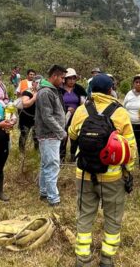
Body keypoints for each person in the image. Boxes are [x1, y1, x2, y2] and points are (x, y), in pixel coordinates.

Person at [68, 73, 136, 267]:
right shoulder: (120, 113)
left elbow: (72, 134)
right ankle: (106, 261)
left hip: (84, 174)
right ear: (110, 90)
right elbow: (130, 148)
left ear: (91, 90)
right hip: (112, 176)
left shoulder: (82, 110)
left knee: (84, 216)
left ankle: (83, 262)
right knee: (113, 218)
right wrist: (128, 171)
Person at [35, 64, 67, 207]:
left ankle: (44, 192)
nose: (63, 81)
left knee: (46, 164)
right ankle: (53, 198)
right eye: (62, 78)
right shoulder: (46, 92)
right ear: (54, 76)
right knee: (52, 165)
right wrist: (61, 132)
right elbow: (47, 116)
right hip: (49, 134)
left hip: (51, 134)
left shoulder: (51, 90)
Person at [60, 68, 87, 162]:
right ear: (65, 79)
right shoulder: (59, 89)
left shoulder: (79, 89)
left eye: (73, 78)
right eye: (69, 78)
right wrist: (66, 108)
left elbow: (83, 103)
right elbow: (56, 103)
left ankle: (73, 158)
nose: (71, 81)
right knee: (63, 137)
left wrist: (77, 110)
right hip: (62, 117)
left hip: (76, 118)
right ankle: (61, 158)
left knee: (75, 138)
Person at [17, 75, 39, 152]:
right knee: (24, 134)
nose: (38, 84)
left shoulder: (42, 92)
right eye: (37, 82)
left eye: (40, 83)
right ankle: (21, 153)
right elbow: (25, 104)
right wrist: (34, 98)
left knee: (36, 136)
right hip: (25, 117)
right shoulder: (27, 92)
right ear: (33, 83)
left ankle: (36, 152)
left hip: (36, 118)